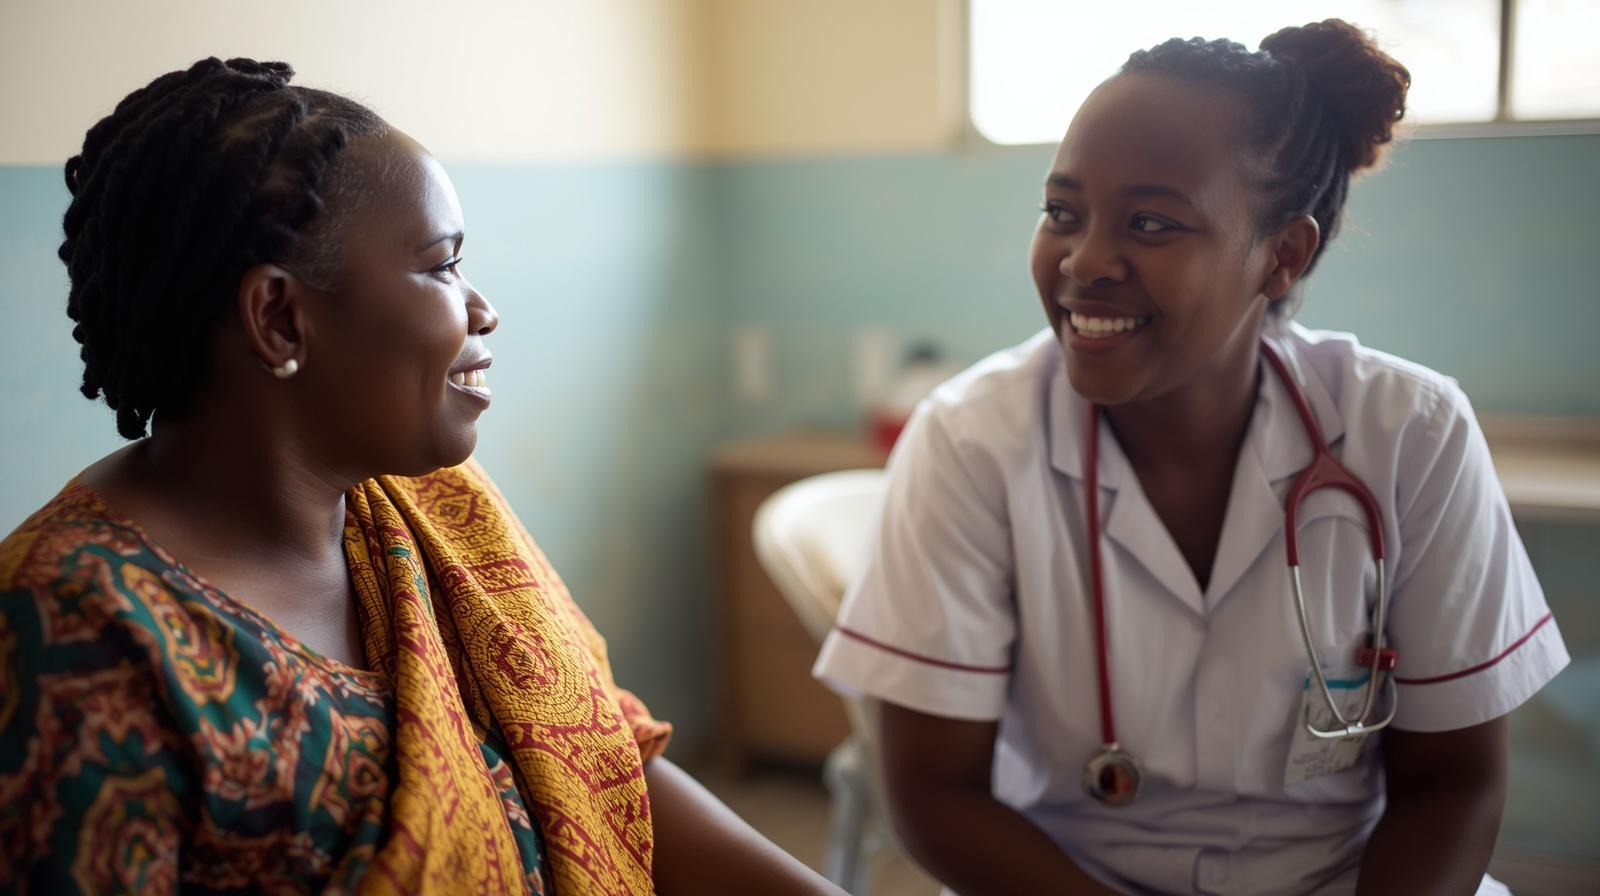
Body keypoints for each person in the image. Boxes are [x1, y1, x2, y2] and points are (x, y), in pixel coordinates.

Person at [0, 57, 843, 896]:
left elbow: (610, 763)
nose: (483, 309)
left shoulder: (427, 507)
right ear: (280, 318)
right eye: (442, 265)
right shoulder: (72, 632)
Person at [814, 20, 1569, 896]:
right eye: (1062, 213)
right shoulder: (972, 440)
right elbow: (933, 793)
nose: (1086, 260)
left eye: (1150, 223)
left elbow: (1452, 785)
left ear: (1283, 255)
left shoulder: (1412, 434)